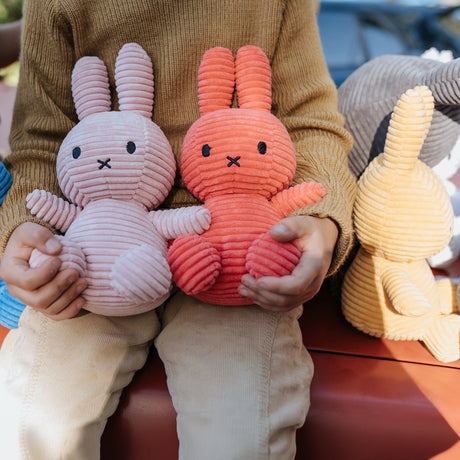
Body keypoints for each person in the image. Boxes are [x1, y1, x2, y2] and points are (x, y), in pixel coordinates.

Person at [0, 0, 356, 459]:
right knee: (27, 427)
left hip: (237, 258)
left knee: (238, 439)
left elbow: (311, 124)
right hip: (93, 256)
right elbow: (42, 140)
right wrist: (24, 229)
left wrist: (322, 223)